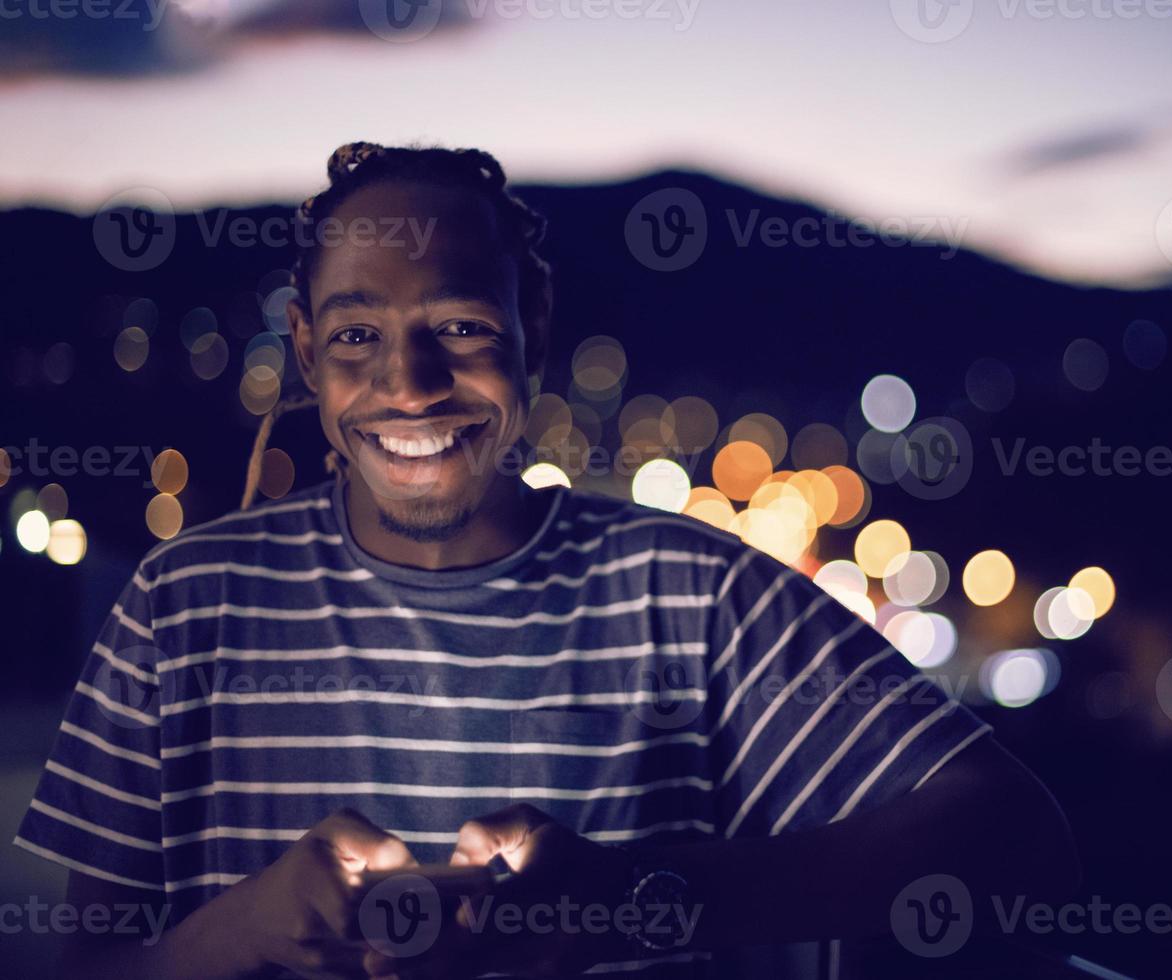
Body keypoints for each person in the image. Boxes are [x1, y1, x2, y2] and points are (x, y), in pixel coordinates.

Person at [14, 142, 1078, 979]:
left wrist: (632, 897)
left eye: (461, 326)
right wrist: (245, 926)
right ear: (304, 353)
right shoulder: (182, 602)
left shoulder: (687, 592)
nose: (411, 383)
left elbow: (1012, 828)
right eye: (356, 337)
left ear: (535, 326)